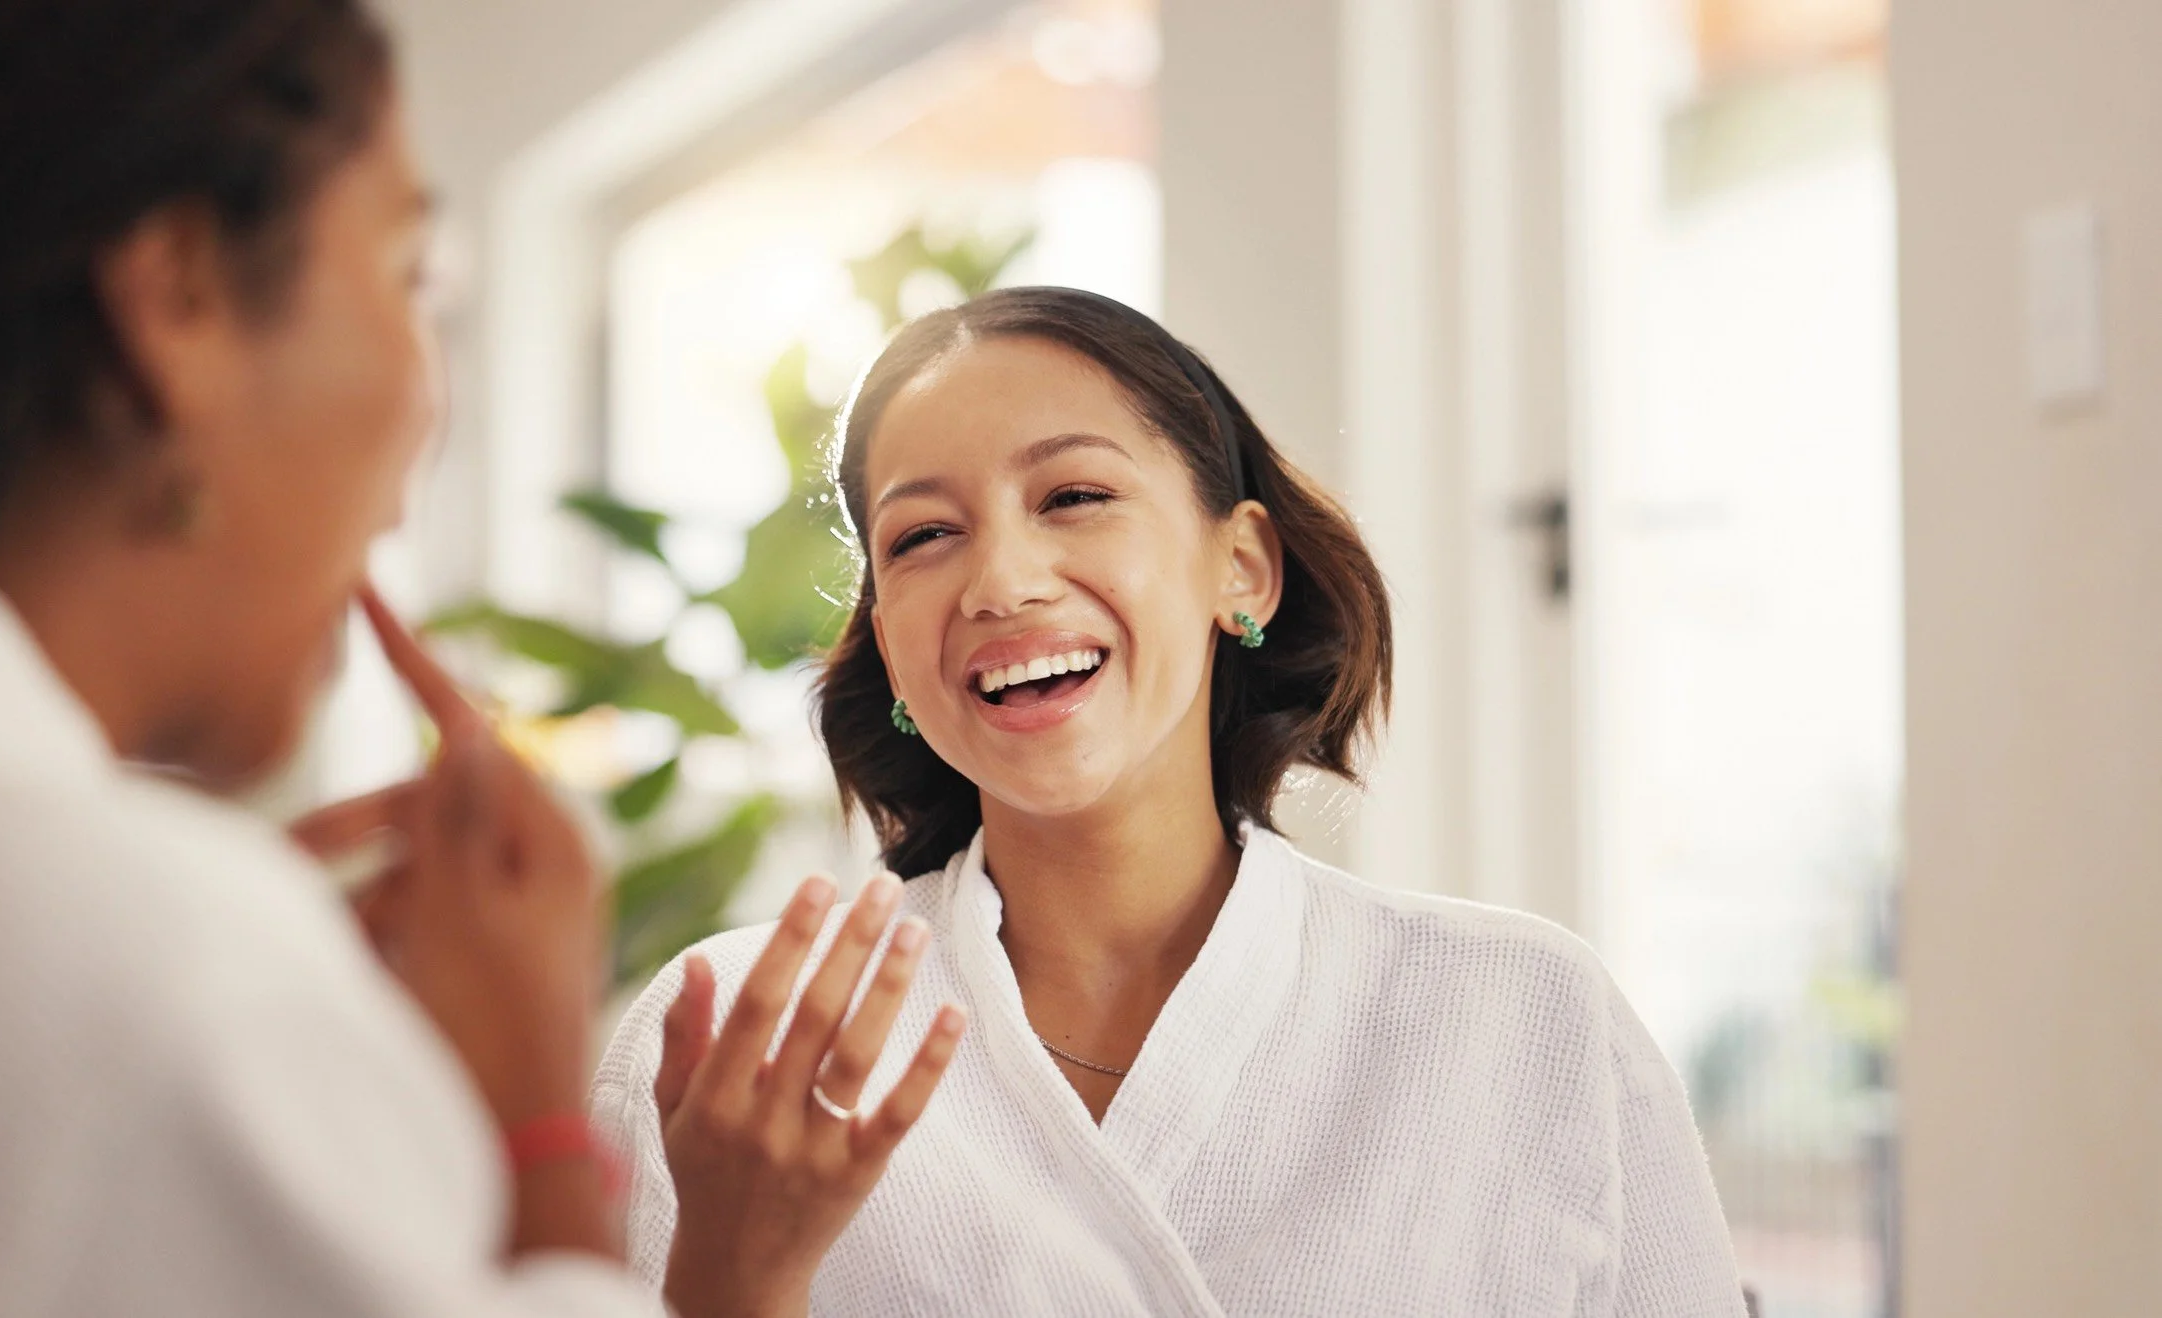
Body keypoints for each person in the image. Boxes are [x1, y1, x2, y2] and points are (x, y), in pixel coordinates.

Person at [0, 2, 955, 1314]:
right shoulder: (146, 958)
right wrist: (528, 1125)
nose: (426, 407)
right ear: (177, 296)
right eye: (410, 278)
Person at [594, 287, 1750, 1316]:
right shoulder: (729, 1045)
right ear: (890, 646)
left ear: (1240, 567)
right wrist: (734, 1286)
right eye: (925, 535)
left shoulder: (1526, 1020)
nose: (1001, 582)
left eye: (1074, 494)